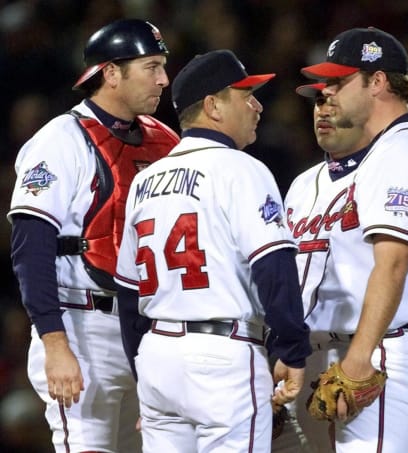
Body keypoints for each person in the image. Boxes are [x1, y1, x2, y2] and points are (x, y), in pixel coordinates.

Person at [114, 48, 312, 452]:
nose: (257, 105)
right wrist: (291, 349)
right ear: (212, 106)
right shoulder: (242, 169)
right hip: (223, 356)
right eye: (245, 95)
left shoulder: (144, 181)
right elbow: (274, 267)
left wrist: (145, 374)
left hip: (157, 355)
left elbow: (129, 295)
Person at [281, 27, 408, 453]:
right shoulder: (313, 180)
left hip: (382, 350)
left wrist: (360, 359)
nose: (325, 98)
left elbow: (393, 263)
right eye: (320, 92)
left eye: (337, 84)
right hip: (326, 352)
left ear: (377, 82)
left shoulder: (405, 151)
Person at [7, 18, 180, 453]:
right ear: (111, 72)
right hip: (83, 323)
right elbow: (31, 249)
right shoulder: (61, 139)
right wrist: (54, 342)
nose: (163, 79)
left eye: (163, 65)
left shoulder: (166, 141)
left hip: (151, 329)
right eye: (151, 66)